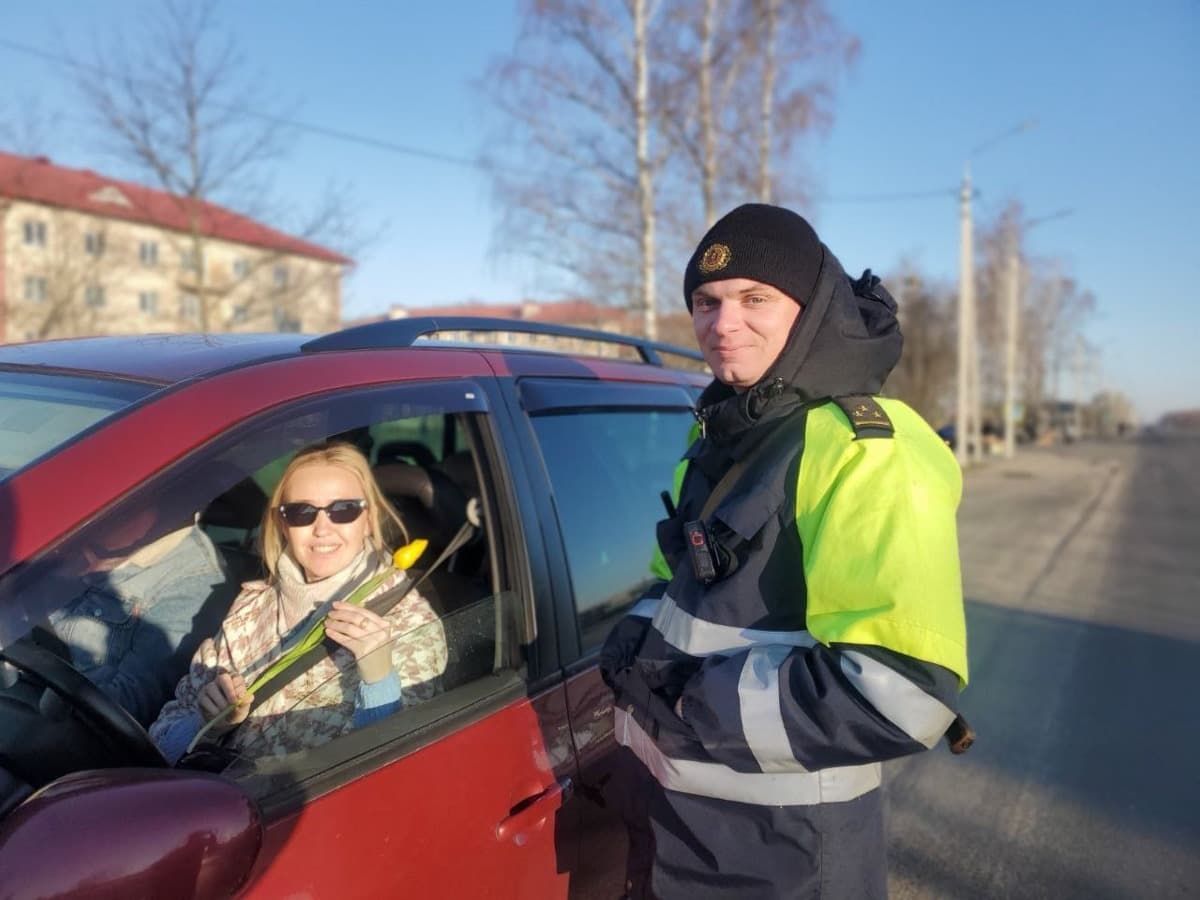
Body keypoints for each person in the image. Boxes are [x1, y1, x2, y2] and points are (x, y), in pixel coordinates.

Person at [601, 204, 968, 899]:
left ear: (809, 310)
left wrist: (689, 704)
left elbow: (902, 693)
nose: (723, 322)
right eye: (705, 302)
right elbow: (676, 584)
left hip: (790, 852)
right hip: (686, 831)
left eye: (754, 298)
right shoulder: (726, 432)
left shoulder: (866, 450)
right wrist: (631, 641)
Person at [150, 442, 447, 764]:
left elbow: (397, 770)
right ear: (282, 524)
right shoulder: (251, 606)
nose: (322, 529)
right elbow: (161, 743)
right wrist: (207, 724)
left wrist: (379, 681)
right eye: (301, 513)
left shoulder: (409, 623)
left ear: (369, 519)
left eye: (343, 509)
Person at [47, 507, 231, 726]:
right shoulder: (82, 537)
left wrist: (53, 692)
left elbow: (128, 704)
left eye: (120, 510)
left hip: (66, 726)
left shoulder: (194, 583)